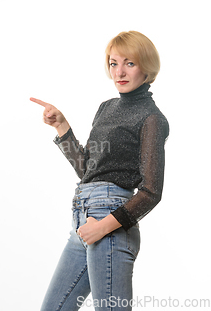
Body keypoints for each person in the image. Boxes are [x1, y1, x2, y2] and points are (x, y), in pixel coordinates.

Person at [30, 31, 169, 311]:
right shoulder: (106, 108)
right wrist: (62, 126)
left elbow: (151, 191)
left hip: (110, 222)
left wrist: (103, 227)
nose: (119, 71)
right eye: (113, 63)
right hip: (82, 220)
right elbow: (87, 170)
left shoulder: (152, 118)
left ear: (147, 67)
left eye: (129, 63)